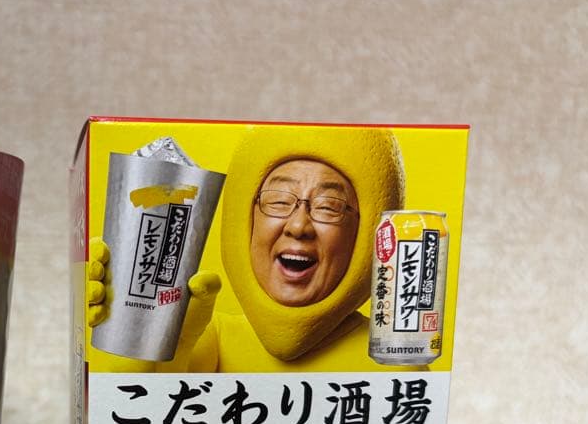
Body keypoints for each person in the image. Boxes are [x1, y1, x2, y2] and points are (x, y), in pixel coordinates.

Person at [87, 125, 406, 372]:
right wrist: (140, 341)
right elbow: (138, 408)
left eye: (328, 206)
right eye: (278, 200)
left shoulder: (392, 363)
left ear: (366, 234)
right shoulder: (212, 338)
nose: (298, 226)